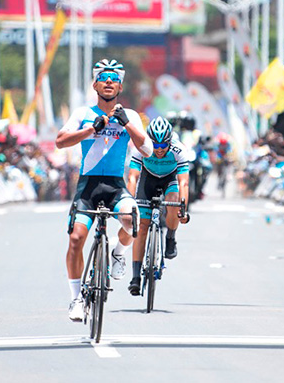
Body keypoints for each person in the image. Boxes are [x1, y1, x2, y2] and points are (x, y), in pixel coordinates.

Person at [55, 59, 153, 322]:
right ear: (95, 84)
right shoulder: (82, 113)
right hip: (88, 186)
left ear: (120, 86)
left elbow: (147, 150)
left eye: (113, 79)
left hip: (114, 186)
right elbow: (60, 142)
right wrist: (90, 129)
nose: (108, 82)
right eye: (103, 78)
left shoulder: (130, 115)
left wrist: (127, 125)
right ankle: (76, 299)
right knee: (76, 239)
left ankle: (118, 254)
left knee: (133, 221)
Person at [126, 116, 192, 295]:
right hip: (148, 179)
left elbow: (184, 183)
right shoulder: (141, 147)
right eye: (156, 145)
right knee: (142, 227)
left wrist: (183, 208)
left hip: (169, 179)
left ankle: (170, 237)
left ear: (171, 142)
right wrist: (129, 204)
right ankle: (135, 277)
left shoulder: (179, 150)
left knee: (173, 201)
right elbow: (133, 177)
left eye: (164, 146)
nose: (160, 150)